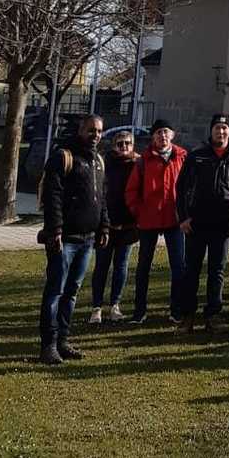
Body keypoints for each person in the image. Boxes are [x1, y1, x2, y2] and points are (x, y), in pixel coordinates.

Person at [38, 115, 107, 365]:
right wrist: (55, 229)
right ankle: (48, 344)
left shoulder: (98, 160)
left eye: (99, 131)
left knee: (72, 291)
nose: (95, 135)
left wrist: (104, 226)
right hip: (64, 238)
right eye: (91, 130)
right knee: (55, 291)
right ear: (81, 130)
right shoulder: (63, 157)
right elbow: (52, 196)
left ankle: (63, 340)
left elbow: (101, 197)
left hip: (88, 238)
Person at [176, 113, 229, 333]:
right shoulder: (197, 155)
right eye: (217, 127)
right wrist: (183, 217)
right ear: (211, 130)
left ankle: (213, 315)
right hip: (196, 222)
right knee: (191, 271)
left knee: (217, 271)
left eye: (225, 128)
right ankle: (188, 316)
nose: (221, 131)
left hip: (223, 224)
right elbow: (181, 187)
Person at [126, 118, 188, 325]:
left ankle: (177, 309)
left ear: (172, 135)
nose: (162, 136)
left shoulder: (183, 157)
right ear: (153, 136)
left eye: (166, 132)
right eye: (158, 132)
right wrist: (139, 212)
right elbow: (131, 191)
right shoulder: (143, 161)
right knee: (143, 267)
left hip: (175, 220)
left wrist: (185, 213)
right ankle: (139, 310)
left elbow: (189, 187)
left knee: (178, 266)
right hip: (149, 221)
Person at [89, 126, 137, 324]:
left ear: (133, 146)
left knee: (121, 266)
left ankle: (115, 305)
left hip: (128, 225)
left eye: (127, 143)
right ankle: (96, 307)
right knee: (101, 266)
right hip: (106, 224)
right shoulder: (105, 163)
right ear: (114, 146)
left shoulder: (137, 165)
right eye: (120, 143)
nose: (124, 146)